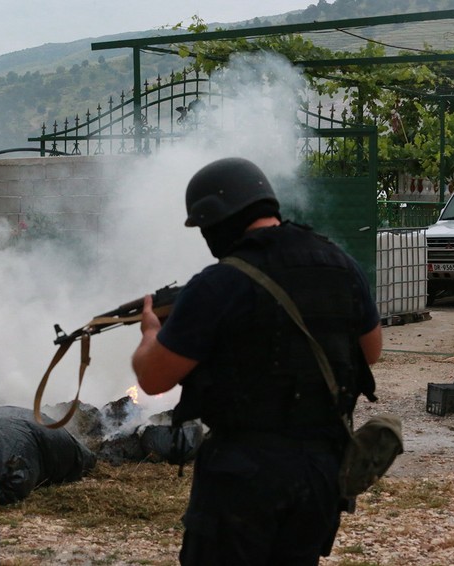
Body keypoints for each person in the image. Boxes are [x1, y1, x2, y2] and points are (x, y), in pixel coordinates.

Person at [131, 157, 382, 566]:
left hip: (242, 476)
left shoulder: (220, 283)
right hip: (321, 472)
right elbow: (370, 352)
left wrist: (149, 335)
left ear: (215, 219)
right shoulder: (341, 264)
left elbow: (153, 377)